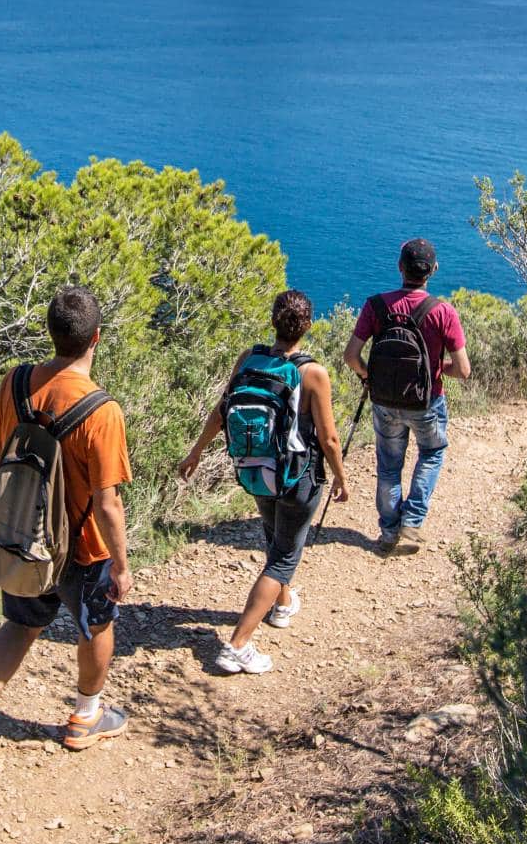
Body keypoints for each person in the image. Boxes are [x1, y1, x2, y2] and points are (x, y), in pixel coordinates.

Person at [0, 287, 135, 792]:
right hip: (82, 548)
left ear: (52, 333)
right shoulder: (101, 410)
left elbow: (3, 451)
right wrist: (121, 563)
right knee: (95, 626)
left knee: (19, 626)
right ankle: (86, 716)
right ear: (96, 339)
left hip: (24, 536)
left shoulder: (16, 382)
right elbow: (108, 502)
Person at [176, 290, 348, 675]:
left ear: (273, 321)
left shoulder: (249, 359)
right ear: (308, 325)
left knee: (275, 536)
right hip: (297, 477)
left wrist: (196, 453)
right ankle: (237, 645)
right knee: (284, 557)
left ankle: (283, 606)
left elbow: (221, 413)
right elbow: (329, 438)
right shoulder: (312, 373)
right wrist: (340, 477)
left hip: (256, 469)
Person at [342, 239, 470, 556]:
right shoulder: (443, 312)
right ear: (434, 270)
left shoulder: (376, 306)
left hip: (384, 400)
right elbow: (464, 370)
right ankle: (412, 519)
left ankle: (388, 531)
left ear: (400, 267)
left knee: (388, 466)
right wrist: (436, 369)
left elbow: (351, 356)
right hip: (427, 401)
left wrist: (369, 376)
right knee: (432, 452)